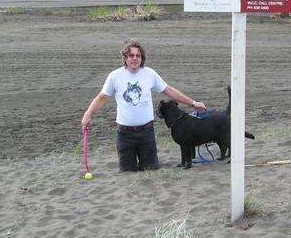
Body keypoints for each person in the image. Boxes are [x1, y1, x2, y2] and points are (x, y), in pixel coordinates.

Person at [81, 38, 206, 172]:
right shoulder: (115, 76)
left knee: (151, 170)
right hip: (124, 135)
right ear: (125, 58)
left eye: (138, 55)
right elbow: (101, 97)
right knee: (127, 172)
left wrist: (193, 103)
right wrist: (88, 114)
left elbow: (168, 90)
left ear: (142, 58)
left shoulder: (150, 74)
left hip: (146, 133)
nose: (134, 58)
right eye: (131, 55)